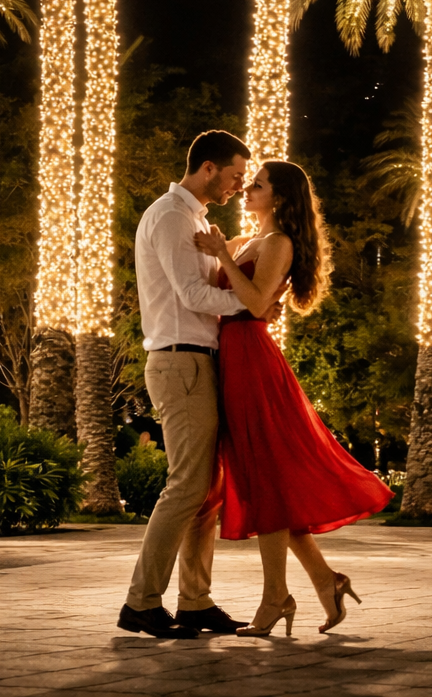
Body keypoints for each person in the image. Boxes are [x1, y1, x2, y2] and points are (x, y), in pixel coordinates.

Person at [195, 161, 393, 636]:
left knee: (266, 481)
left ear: (280, 199)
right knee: (272, 484)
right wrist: (226, 252)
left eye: (257, 185)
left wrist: (223, 256)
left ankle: (275, 599)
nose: (247, 189)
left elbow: (259, 303)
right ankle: (325, 582)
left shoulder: (276, 242)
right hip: (233, 358)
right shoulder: (249, 241)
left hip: (252, 362)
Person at [118, 130, 277, 640]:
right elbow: (191, 293)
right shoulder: (169, 216)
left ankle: (194, 601)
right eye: (233, 176)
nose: (237, 187)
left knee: (205, 489)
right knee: (187, 484)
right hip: (179, 361)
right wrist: (251, 305)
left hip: (198, 361)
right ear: (207, 168)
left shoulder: (198, 221)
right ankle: (141, 602)